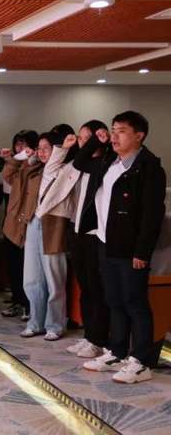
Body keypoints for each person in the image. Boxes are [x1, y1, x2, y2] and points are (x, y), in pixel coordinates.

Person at [79, 111, 166, 384]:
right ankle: (117, 352)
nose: (115, 136)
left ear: (139, 136)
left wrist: (142, 252)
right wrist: (98, 140)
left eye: (122, 131)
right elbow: (80, 161)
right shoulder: (110, 162)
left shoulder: (148, 168)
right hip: (106, 243)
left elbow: (152, 216)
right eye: (113, 130)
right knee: (114, 300)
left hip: (131, 250)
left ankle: (142, 361)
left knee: (135, 303)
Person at [36, 121, 110, 359]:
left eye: (89, 137)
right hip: (76, 230)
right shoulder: (78, 164)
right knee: (85, 288)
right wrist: (63, 149)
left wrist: (96, 143)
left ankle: (99, 339)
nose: (83, 142)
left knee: (97, 289)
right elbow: (50, 173)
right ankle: (89, 336)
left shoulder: (105, 164)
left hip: (95, 234)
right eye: (81, 138)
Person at [2, 133, 69, 341]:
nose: (41, 152)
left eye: (46, 148)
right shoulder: (33, 170)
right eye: (39, 148)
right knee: (32, 277)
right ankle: (35, 322)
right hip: (32, 222)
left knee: (53, 278)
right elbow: (8, 176)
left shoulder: (65, 170)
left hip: (54, 226)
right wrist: (22, 158)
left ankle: (55, 324)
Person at [0, 130, 39, 320]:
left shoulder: (36, 165)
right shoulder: (13, 165)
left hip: (28, 220)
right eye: (17, 144)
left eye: (24, 144)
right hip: (11, 220)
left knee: (28, 267)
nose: (20, 148)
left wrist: (27, 159)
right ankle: (17, 300)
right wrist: (8, 159)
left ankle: (29, 304)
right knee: (13, 265)